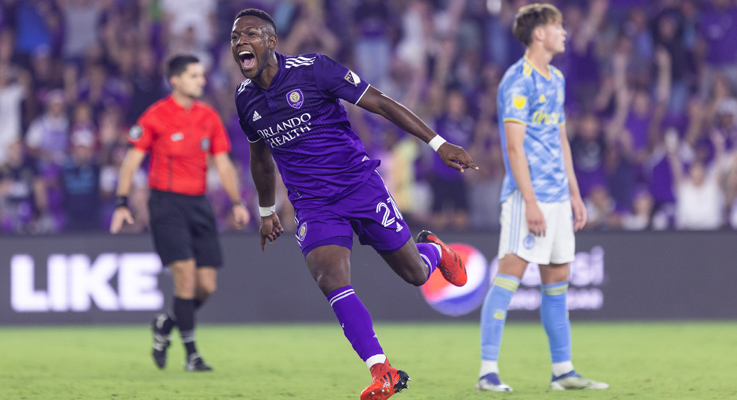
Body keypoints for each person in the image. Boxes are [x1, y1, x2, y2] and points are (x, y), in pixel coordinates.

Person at [231, 8, 476, 400]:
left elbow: (379, 103)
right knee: (330, 278)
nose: (240, 42)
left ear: (271, 42)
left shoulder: (314, 70)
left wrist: (438, 143)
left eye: (250, 34)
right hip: (313, 205)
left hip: (360, 187)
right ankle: (383, 371)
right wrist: (265, 211)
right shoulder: (246, 101)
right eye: (234, 38)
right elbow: (259, 158)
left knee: (414, 273)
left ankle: (432, 249)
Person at [476, 4, 608, 392]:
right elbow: (514, 149)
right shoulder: (517, 82)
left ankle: (563, 371)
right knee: (507, 279)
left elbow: (560, 139)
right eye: (558, 27)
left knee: (557, 282)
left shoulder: (556, 79)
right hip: (525, 198)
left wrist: (575, 193)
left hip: (558, 199)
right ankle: (487, 371)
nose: (564, 33)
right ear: (539, 34)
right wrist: (530, 201)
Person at [110, 54, 250, 371]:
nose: (202, 81)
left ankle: (165, 325)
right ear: (175, 81)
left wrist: (237, 202)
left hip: (198, 204)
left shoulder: (208, 116)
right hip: (166, 204)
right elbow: (131, 161)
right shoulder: (155, 116)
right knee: (185, 278)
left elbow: (223, 162)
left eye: (202, 76)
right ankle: (192, 355)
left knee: (206, 286)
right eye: (194, 76)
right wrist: (121, 203)